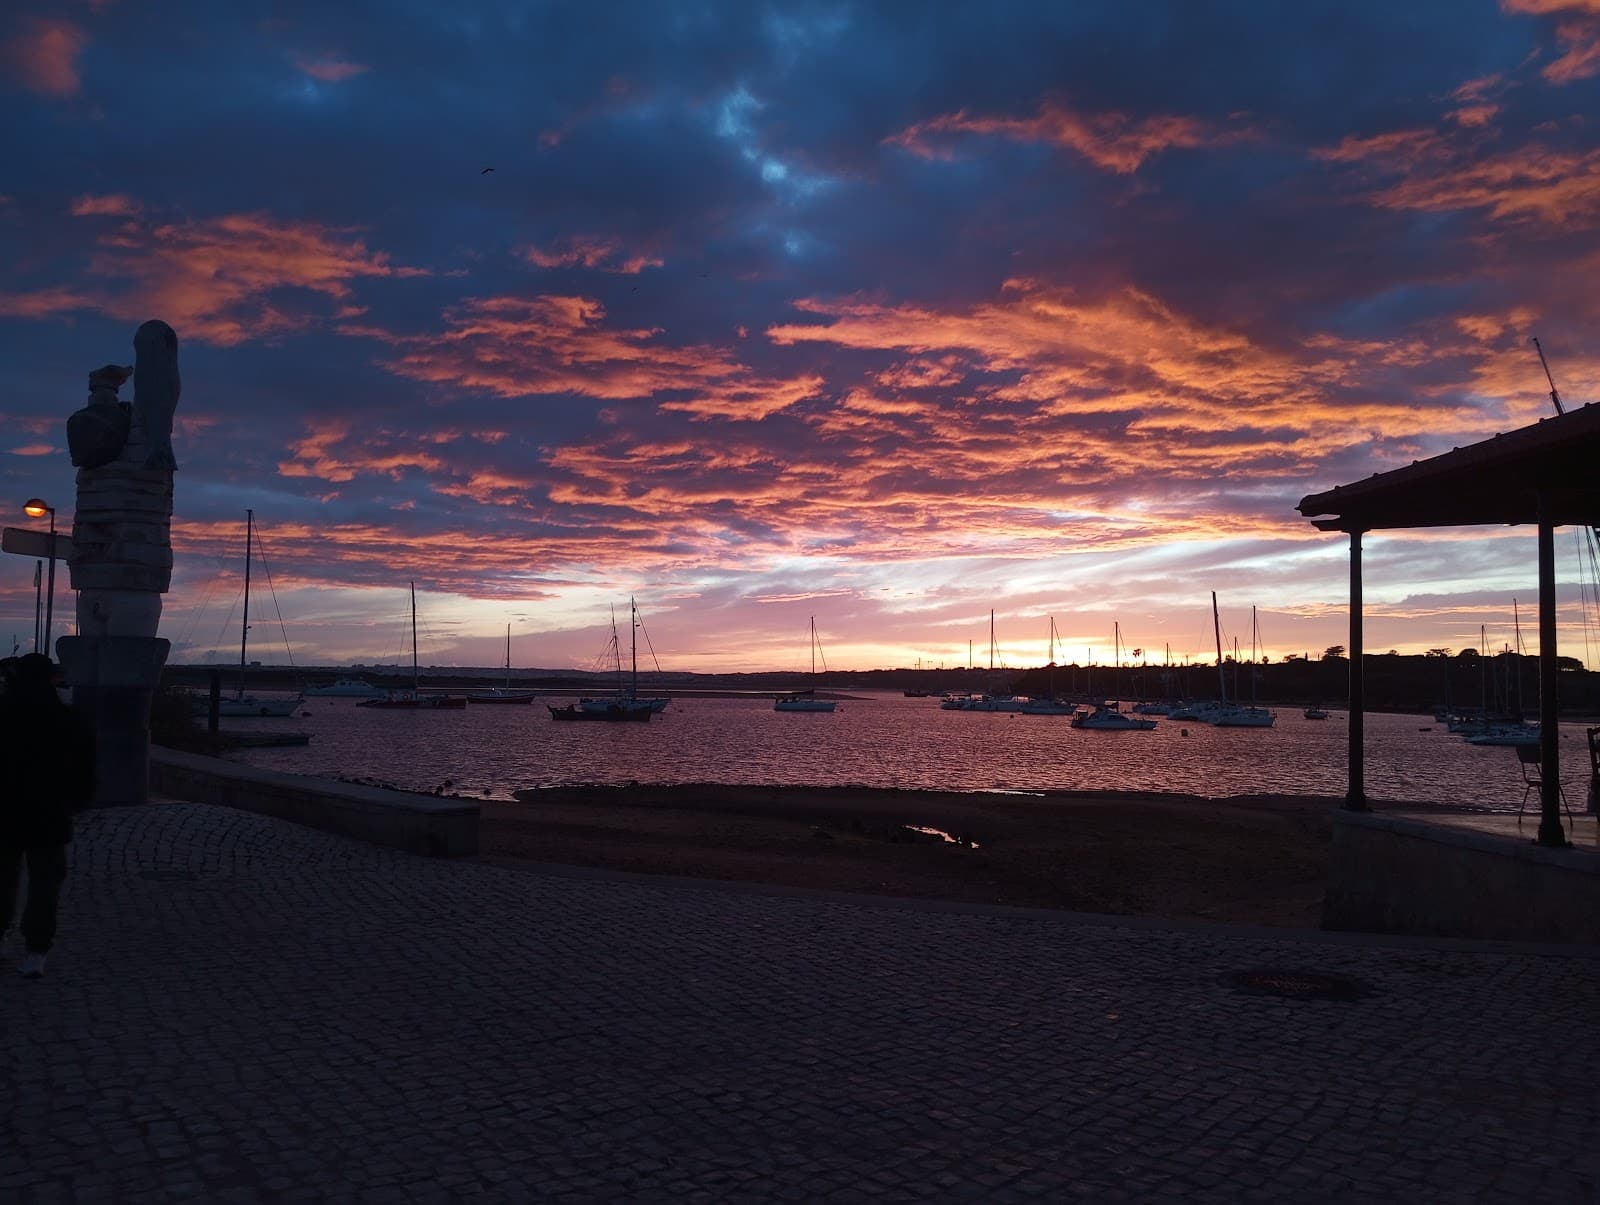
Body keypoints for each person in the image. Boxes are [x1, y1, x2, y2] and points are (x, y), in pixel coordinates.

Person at [0, 654, 95, 978]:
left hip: (6, 810)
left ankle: (2, 933)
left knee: (3, 877)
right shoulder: (68, 719)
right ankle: (36, 950)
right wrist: (78, 802)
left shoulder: (4, 714)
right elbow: (85, 766)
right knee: (45, 884)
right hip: (50, 813)